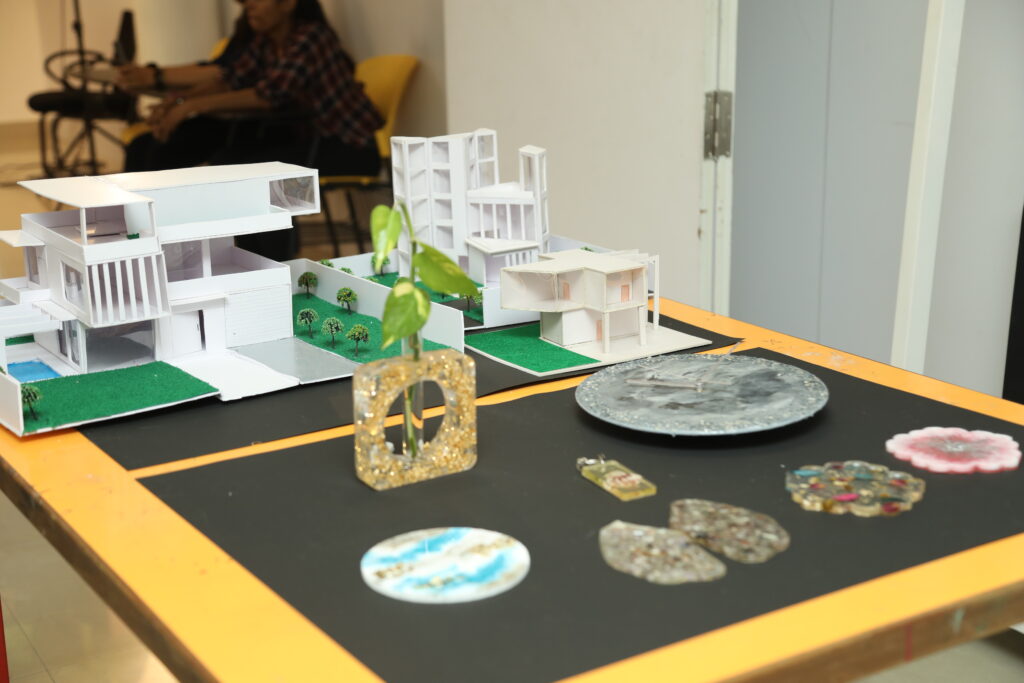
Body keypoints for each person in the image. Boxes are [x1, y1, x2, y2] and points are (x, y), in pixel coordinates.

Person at [125, 0, 383, 259]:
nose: (249, 5)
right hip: (311, 141)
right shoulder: (267, 41)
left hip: (350, 148)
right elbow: (230, 79)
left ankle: (276, 264)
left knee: (259, 175)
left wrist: (191, 106)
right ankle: (249, 259)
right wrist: (177, 102)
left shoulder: (311, 37)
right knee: (231, 163)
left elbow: (270, 94)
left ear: (288, 4)